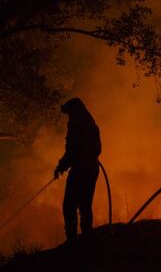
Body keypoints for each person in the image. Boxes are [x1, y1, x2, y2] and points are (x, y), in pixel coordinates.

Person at [54, 98, 101, 242]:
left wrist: (61, 166)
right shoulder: (92, 125)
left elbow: (72, 151)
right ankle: (87, 237)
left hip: (81, 170)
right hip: (92, 168)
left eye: (69, 113)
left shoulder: (76, 125)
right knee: (85, 205)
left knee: (69, 205)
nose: (68, 116)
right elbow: (97, 149)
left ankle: (72, 241)